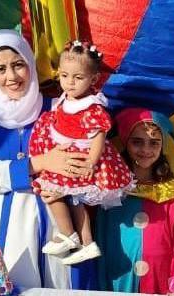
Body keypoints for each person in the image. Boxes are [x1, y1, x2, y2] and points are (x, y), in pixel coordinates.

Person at [0, 30, 97, 290]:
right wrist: (39, 163)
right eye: (0, 69)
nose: (11, 76)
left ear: (30, 64)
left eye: (18, 64)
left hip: (53, 216)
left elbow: (82, 155)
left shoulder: (58, 106)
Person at [29, 40, 134, 266]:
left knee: (49, 187)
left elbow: (99, 137)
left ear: (93, 79)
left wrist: (91, 162)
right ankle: (87, 243)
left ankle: (67, 234)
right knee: (75, 200)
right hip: (66, 152)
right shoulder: (64, 100)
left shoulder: (91, 106)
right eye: (64, 76)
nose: (70, 83)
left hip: (79, 158)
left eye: (78, 78)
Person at [95, 107, 174, 294]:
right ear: (125, 143)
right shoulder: (111, 189)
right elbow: (101, 237)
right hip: (118, 275)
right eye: (137, 142)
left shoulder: (172, 191)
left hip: (160, 278)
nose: (146, 150)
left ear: (162, 146)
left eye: (154, 143)